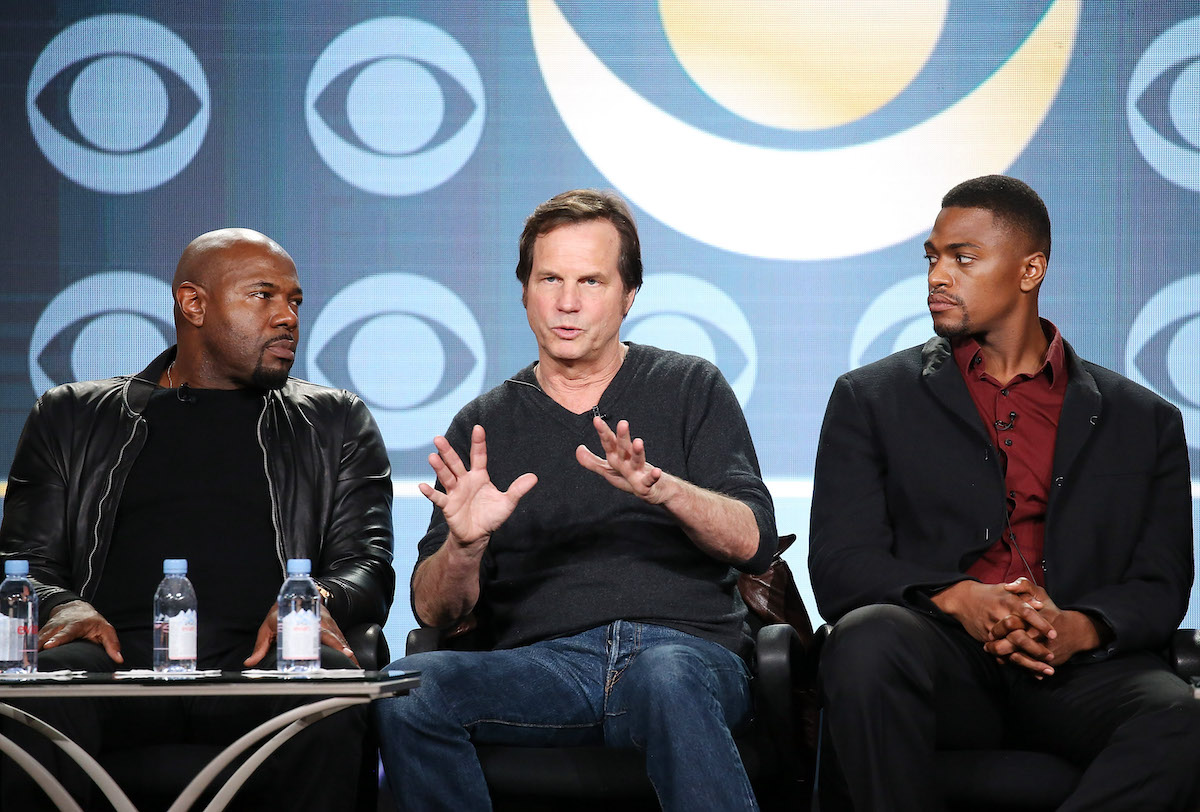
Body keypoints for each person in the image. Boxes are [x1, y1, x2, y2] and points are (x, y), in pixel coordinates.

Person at [373, 189, 778, 811]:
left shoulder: (689, 385)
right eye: (550, 279)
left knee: (667, 678)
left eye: (591, 280)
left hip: (686, 654)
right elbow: (434, 611)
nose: (567, 302)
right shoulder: (484, 424)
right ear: (524, 290)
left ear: (628, 295)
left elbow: (752, 543)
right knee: (410, 685)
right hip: (545, 668)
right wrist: (465, 544)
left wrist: (663, 490)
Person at [808, 175, 1200, 810]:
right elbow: (840, 564)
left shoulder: (1144, 420)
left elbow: (1160, 583)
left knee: (1181, 716)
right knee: (868, 641)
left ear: (1030, 269)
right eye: (932, 258)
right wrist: (959, 597)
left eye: (963, 258)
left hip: (1076, 670)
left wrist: (1080, 628)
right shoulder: (871, 398)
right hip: (942, 662)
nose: (938, 275)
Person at [0, 228, 394, 807]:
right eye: (264, 296)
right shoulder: (71, 415)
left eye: (295, 301)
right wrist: (64, 604)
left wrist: (312, 605)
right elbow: (22, 563)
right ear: (193, 304)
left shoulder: (334, 422)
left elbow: (367, 565)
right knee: (29, 703)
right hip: (110, 668)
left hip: (267, 666)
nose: (288, 317)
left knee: (325, 701)